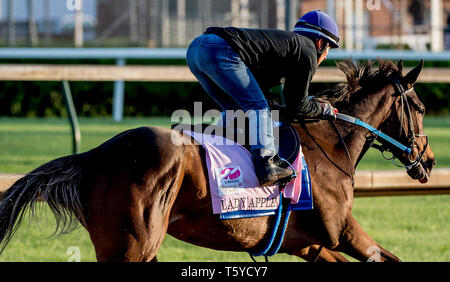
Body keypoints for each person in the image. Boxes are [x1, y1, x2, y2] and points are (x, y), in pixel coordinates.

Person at [186, 10, 339, 187]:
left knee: (236, 109)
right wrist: (324, 109)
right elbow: (297, 105)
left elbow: (282, 105)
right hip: (219, 48)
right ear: (320, 43)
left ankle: (219, 152)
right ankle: (267, 163)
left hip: (195, 50)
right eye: (328, 49)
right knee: (256, 106)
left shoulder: (284, 50)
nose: (326, 55)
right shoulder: (308, 50)